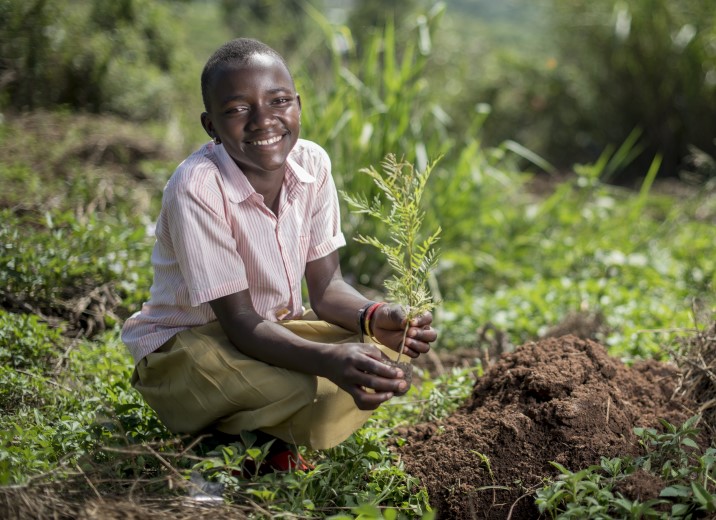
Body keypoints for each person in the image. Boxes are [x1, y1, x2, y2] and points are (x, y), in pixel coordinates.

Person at [121, 38, 437, 472]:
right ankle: (224, 443)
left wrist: (374, 314)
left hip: (265, 332)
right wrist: (327, 359)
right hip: (184, 351)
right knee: (306, 385)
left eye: (279, 100)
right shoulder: (198, 186)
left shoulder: (313, 165)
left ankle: (254, 434)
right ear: (210, 125)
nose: (263, 120)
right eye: (236, 109)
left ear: (298, 105)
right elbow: (239, 323)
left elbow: (326, 289)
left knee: (384, 350)